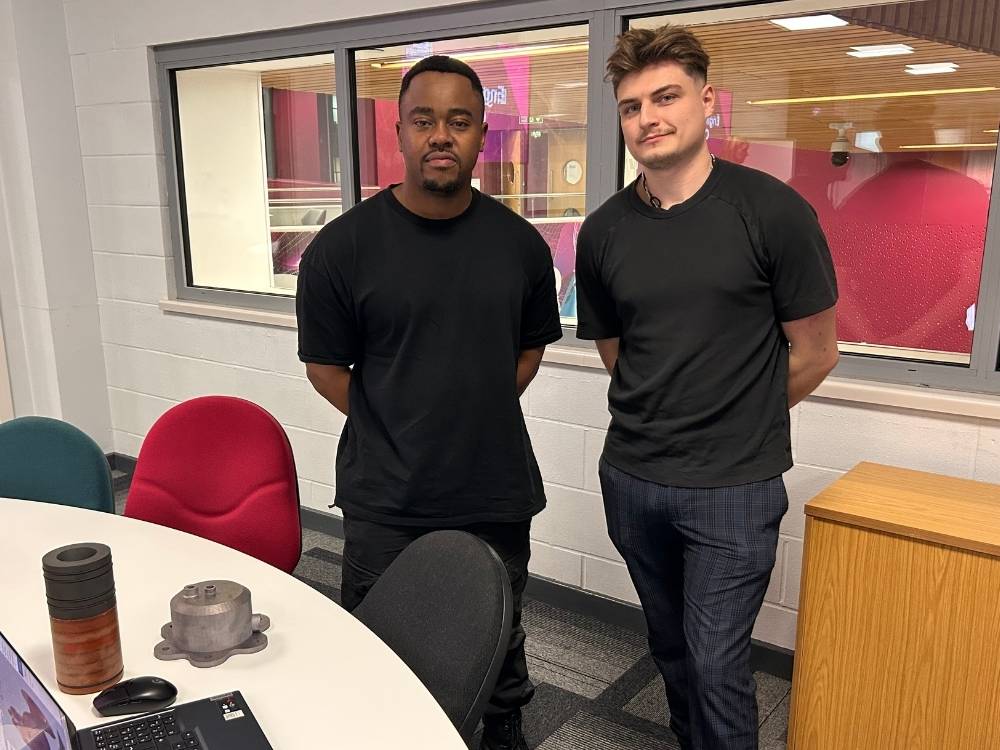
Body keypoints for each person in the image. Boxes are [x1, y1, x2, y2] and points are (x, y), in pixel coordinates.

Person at [575, 25, 839, 750]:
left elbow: (816, 352)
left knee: (718, 660)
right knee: (671, 649)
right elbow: (616, 350)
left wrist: (732, 415)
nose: (648, 118)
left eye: (665, 97)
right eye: (631, 107)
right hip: (632, 477)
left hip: (733, 488)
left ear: (707, 102)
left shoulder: (771, 212)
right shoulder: (603, 233)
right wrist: (671, 409)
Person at [296, 55, 562, 750]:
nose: (441, 134)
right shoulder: (342, 249)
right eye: (424, 119)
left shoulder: (520, 247)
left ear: (481, 136)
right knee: (381, 644)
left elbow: (531, 347)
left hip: (493, 487)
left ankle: (504, 731)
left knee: (500, 633)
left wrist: (474, 406)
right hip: (387, 492)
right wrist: (399, 413)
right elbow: (325, 367)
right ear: (400, 131)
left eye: (459, 120)